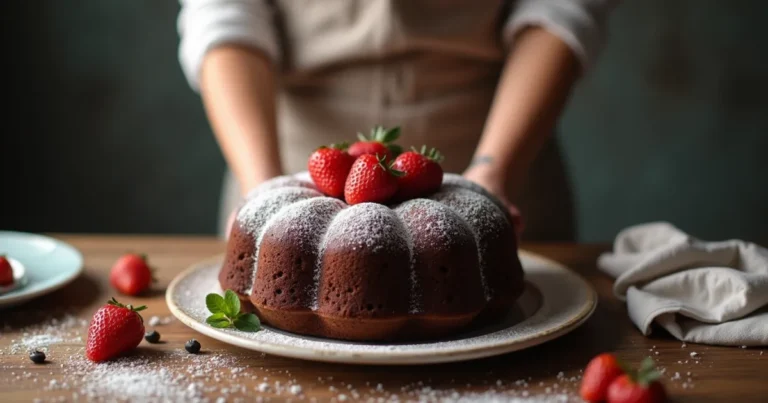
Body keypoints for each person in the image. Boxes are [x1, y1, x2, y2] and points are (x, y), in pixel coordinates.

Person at [177, 0, 618, 240]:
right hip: (287, 165)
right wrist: (265, 194)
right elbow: (222, 14)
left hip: (501, 166)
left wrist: (495, 170)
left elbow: (562, 9)